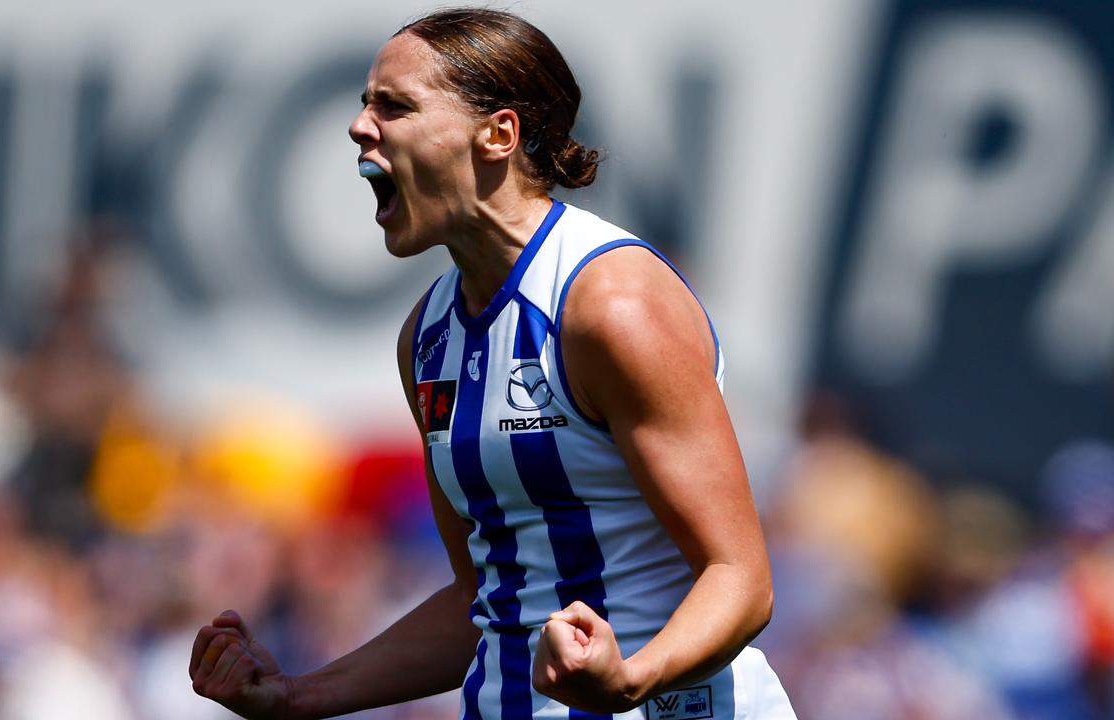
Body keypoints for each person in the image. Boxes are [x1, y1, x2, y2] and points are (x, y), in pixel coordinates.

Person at [190, 8, 796, 719]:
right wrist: (297, 694)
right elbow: (480, 594)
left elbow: (740, 579)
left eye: (395, 106)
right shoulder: (426, 335)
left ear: (498, 134)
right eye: (364, 104)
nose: (360, 127)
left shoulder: (611, 304)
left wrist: (628, 679)